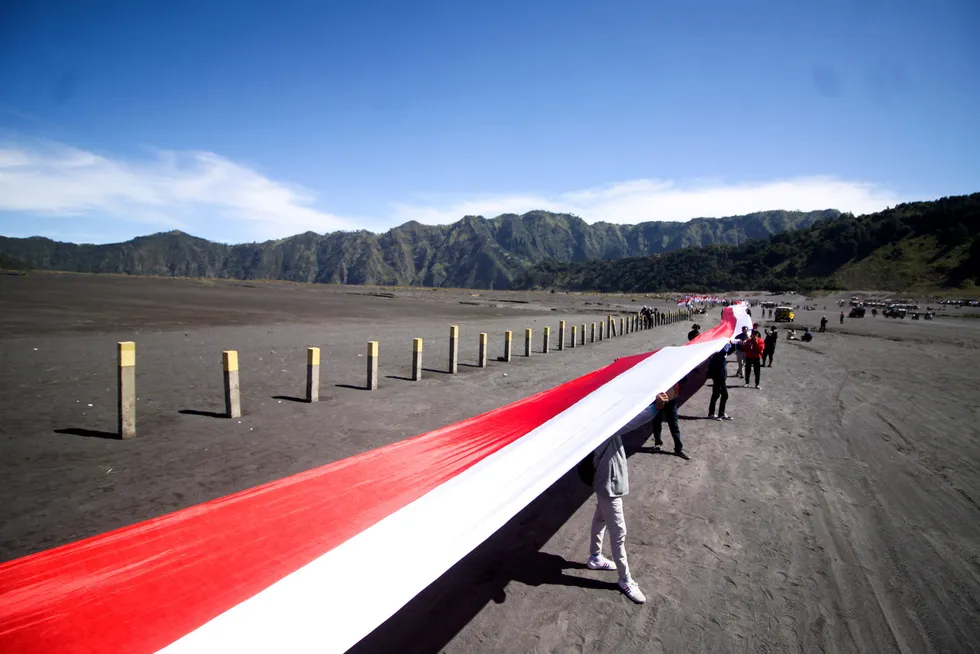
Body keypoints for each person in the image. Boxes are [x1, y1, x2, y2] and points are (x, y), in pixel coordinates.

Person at [587, 433, 646, 604]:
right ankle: (625, 579)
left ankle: (595, 557)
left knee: (600, 519)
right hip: (608, 483)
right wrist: (653, 409)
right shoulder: (608, 424)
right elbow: (633, 422)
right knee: (618, 533)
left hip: (603, 478)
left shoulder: (600, 420)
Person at [652, 382, 686, 459]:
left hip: (671, 399)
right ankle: (658, 443)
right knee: (656, 422)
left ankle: (678, 448)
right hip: (658, 399)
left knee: (674, 424)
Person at [708, 342, 734, 420]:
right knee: (718, 395)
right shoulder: (719, 354)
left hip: (721, 378)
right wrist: (728, 344)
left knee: (719, 395)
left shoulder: (721, 354)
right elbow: (725, 351)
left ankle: (719, 413)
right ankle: (713, 413)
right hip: (718, 378)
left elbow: (728, 352)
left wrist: (733, 345)